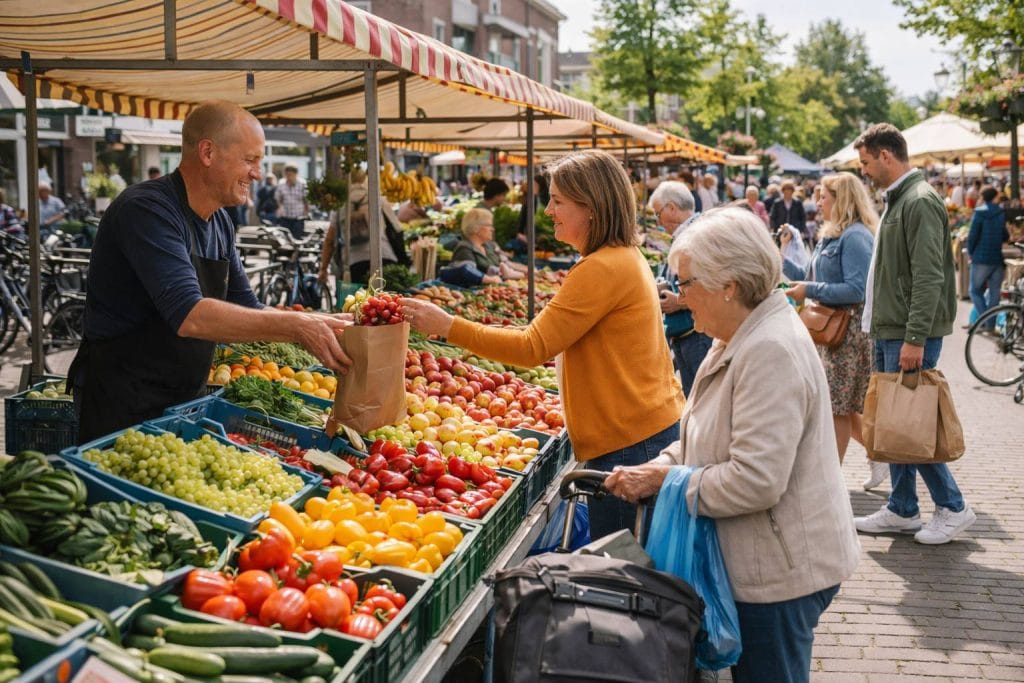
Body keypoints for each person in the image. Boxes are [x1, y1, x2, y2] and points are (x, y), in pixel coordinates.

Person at [604, 207, 859, 683]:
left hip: (780, 572)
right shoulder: (735, 333)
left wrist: (667, 479)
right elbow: (701, 435)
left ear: (729, 285)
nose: (678, 296)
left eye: (685, 284)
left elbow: (756, 481)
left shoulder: (768, 350)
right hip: (761, 558)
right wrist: (662, 465)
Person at [401, 149, 684, 539]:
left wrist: (448, 325)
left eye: (557, 201)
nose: (548, 210)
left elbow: (532, 347)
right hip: (643, 431)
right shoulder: (623, 256)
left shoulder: (602, 267)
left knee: (621, 575)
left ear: (592, 208)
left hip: (630, 443)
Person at [70, 100, 352, 445]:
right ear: (207, 152)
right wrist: (296, 327)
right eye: (250, 160)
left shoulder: (219, 221)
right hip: (123, 403)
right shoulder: (146, 210)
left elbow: (248, 306)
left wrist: (326, 321)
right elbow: (190, 315)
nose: (257, 174)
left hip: (184, 401)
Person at [853, 123, 975, 545]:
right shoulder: (903, 199)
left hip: (904, 330)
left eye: (867, 162)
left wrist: (915, 337)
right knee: (895, 419)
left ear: (886, 156)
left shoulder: (918, 201)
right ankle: (903, 507)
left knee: (912, 421)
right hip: (893, 326)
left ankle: (954, 506)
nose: (865, 171)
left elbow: (928, 276)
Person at [783, 172, 887, 488]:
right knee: (840, 405)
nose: (818, 203)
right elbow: (809, 276)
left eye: (823, 197)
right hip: (832, 333)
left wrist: (810, 289)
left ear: (840, 199)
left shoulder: (855, 237)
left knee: (838, 407)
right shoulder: (833, 234)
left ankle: (830, 479)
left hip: (848, 333)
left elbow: (857, 289)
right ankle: (881, 456)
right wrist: (786, 254)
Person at [649, 181, 713, 396]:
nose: (658, 222)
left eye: (658, 214)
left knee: (700, 397)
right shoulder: (686, 233)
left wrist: (679, 301)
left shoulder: (697, 234)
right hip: (686, 332)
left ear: (672, 209)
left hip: (697, 333)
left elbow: (710, 284)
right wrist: (663, 284)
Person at [966, 186, 1009, 329]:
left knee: (974, 291)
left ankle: (984, 321)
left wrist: (971, 253)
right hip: (997, 258)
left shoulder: (979, 213)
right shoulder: (1000, 212)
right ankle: (990, 323)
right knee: (994, 293)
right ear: (994, 197)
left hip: (981, 258)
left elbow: (972, 237)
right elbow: (1005, 236)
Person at [451, 208, 526, 281]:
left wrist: (528, 270)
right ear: (476, 228)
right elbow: (468, 272)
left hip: (498, 287)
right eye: (489, 225)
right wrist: (493, 278)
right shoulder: (464, 248)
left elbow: (507, 264)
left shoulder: (489, 246)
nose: (493, 229)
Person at [274, 165, 308, 239]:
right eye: (287, 175)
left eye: (290, 175)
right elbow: (277, 198)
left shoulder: (302, 183)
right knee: (284, 239)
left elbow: (306, 199)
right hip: (285, 217)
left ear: (296, 174)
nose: (289, 177)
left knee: (297, 239)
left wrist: (306, 211)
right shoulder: (281, 183)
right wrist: (280, 207)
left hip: (298, 217)